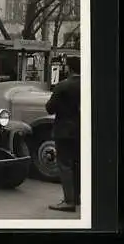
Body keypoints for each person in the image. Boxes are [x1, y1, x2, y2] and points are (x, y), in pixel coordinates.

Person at [46, 56, 81, 212]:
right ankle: (77, 197)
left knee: (65, 165)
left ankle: (69, 201)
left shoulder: (63, 86)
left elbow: (50, 108)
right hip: (81, 130)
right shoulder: (86, 84)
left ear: (69, 68)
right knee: (77, 164)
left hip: (65, 131)